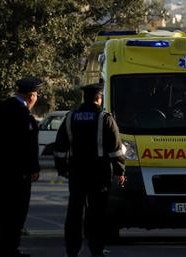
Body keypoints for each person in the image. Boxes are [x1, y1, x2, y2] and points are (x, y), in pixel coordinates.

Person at [54, 84, 126, 257]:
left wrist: (62, 168)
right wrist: (120, 171)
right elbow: (116, 149)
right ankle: (97, 249)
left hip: (77, 172)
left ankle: (72, 250)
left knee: (75, 212)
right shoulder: (104, 118)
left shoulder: (70, 118)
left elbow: (60, 146)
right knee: (97, 212)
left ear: (84, 98)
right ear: (98, 99)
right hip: (99, 173)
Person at [0, 77, 42, 257]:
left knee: (3, 211)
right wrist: (34, 168)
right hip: (19, 173)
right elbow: (29, 145)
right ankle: (11, 249)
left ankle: (4, 249)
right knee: (17, 212)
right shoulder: (23, 115)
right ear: (32, 96)